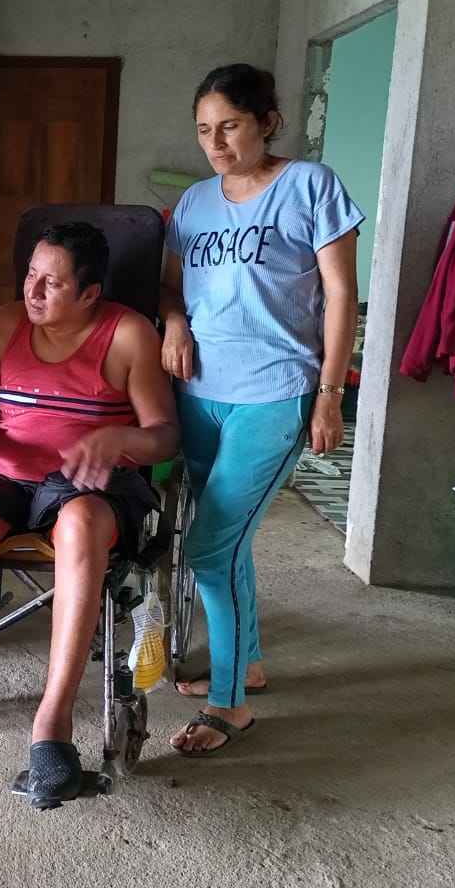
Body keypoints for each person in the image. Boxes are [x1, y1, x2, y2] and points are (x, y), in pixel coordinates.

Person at [0, 222, 178, 808]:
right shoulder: (6, 322)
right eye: (30, 275)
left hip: (90, 487)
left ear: (90, 293)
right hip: (11, 479)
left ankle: (52, 728)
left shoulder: (127, 334)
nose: (34, 291)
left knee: (78, 524)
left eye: (53, 282)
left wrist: (119, 437)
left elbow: (164, 436)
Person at [159, 63, 363, 755]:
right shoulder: (193, 203)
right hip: (198, 394)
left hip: (275, 393)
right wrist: (174, 323)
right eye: (204, 131)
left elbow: (340, 297)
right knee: (229, 540)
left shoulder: (311, 186)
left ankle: (230, 706)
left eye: (231, 126)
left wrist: (330, 395)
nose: (216, 144)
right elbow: (169, 288)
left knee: (209, 547)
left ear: (268, 122)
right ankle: (244, 662)